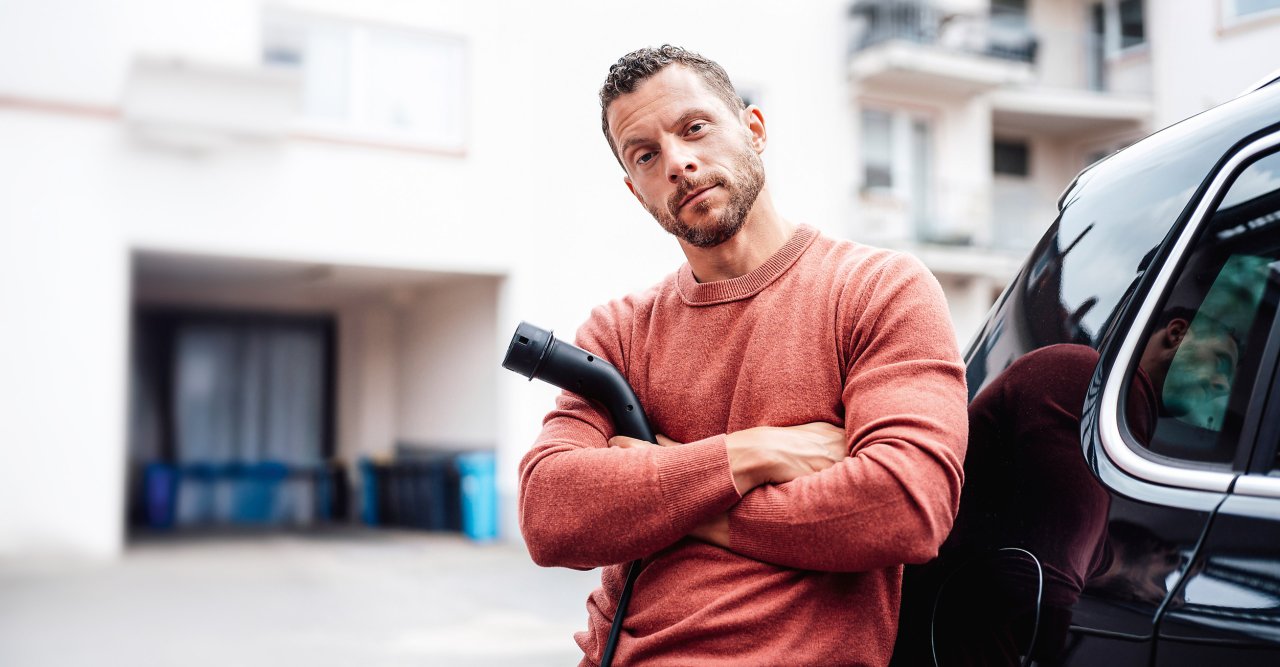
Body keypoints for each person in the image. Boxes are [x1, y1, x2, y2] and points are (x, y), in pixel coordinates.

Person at [517, 45, 968, 666]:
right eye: (646, 155)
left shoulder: (878, 289)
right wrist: (756, 452)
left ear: (753, 130)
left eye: (693, 127)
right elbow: (551, 514)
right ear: (636, 189)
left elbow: (905, 506)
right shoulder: (618, 332)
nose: (678, 162)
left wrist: (676, 492)